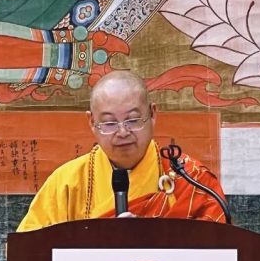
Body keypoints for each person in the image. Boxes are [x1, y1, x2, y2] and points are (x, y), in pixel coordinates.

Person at [17, 71, 227, 229]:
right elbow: (30, 252)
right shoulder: (67, 182)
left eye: (133, 120)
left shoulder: (191, 180)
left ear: (153, 114)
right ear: (92, 122)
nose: (123, 132)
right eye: (109, 123)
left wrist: (150, 238)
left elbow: (217, 252)